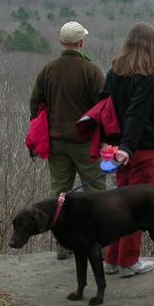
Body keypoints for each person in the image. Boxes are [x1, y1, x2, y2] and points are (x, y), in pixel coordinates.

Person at [29, 21, 106, 259]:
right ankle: (98, 243)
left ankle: (64, 245)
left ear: (62, 43)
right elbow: (103, 107)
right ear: (81, 42)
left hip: (56, 142)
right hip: (85, 143)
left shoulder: (48, 70)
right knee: (95, 192)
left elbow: (35, 103)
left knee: (59, 194)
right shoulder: (91, 70)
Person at [100, 22, 154, 277]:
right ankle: (129, 262)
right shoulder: (147, 77)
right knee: (138, 207)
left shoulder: (114, 71)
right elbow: (137, 115)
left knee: (119, 204)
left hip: (117, 150)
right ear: (151, 45)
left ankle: (112, 259)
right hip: (141, 150)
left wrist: (109, 142)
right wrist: (128, 146)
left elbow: (104, 106)